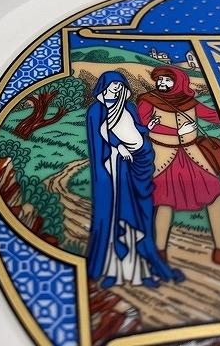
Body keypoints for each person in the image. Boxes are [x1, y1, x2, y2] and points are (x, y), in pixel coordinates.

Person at [137, 66, 220, 274]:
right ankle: (159, 252)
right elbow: (142, 124)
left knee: (217, 194)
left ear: (179, 82)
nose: (162, 83)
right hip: (164, 155)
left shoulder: (189, 102)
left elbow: (213, 116)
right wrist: (177, 131)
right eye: (160, 80)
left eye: (167, 80)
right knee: (164, 201)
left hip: (192, 154)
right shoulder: (148, 100)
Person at [86, 71, 185, 288]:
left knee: (140, 214)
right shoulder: (96, 110)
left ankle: (142, 270)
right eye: (113, 85)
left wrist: (148, 127)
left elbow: (134, 128)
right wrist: (118, 147)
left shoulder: (128, 106)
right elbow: (99, 136)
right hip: (115, 166)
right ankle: (114, 270)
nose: (116, 89)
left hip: (138, 163)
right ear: (104, 86)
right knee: (118, 213)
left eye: (120, 86)